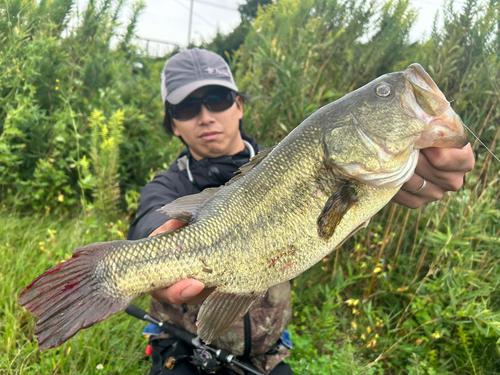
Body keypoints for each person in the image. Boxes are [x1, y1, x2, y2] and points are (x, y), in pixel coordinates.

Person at [127, 48, 475, 375]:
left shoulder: (291, 158)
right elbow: (149, 221)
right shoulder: (167, 184)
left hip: (267, 351)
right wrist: (151, 246)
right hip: (182, 345)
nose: (205, 116)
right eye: (187, 109)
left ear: (238, 106)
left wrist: (404, 177)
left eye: (216, 100)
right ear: (173, 124)